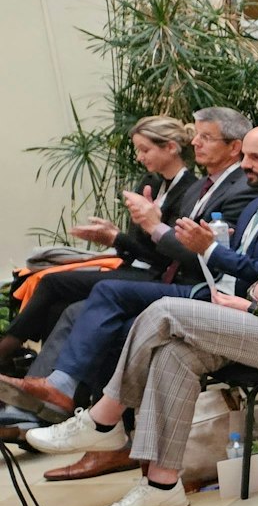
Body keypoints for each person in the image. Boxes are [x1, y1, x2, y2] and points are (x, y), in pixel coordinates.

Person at [29, 117, 258, 506]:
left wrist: (252, 307)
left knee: (164, 310)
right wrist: (257, 293)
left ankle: (103, 419)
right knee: (175, 355)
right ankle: (162, 486)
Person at [2, 126, 258, 423]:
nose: (245, 165)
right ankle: (63, 394)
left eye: (255, 158)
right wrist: (211, 245)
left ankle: (98, 424)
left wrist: (209, 249)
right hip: (208, 288)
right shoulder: (256, 204)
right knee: (99, 296)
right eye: (245, 157)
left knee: (119, 322)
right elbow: (235, 257)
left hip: (233, 303)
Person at [0, 115, 207, 372]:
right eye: (138, 151)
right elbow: (135, 245)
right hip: (134, 268)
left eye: (145, 150)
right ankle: (43, 380)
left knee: (52, 282)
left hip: (159, 276)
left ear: (171, 148)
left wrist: (120, 237)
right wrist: (115, 236)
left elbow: (168, 258)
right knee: (58, 306)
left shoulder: (190, 190)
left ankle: (5, 353)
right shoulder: (151, 183)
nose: (140, 158)